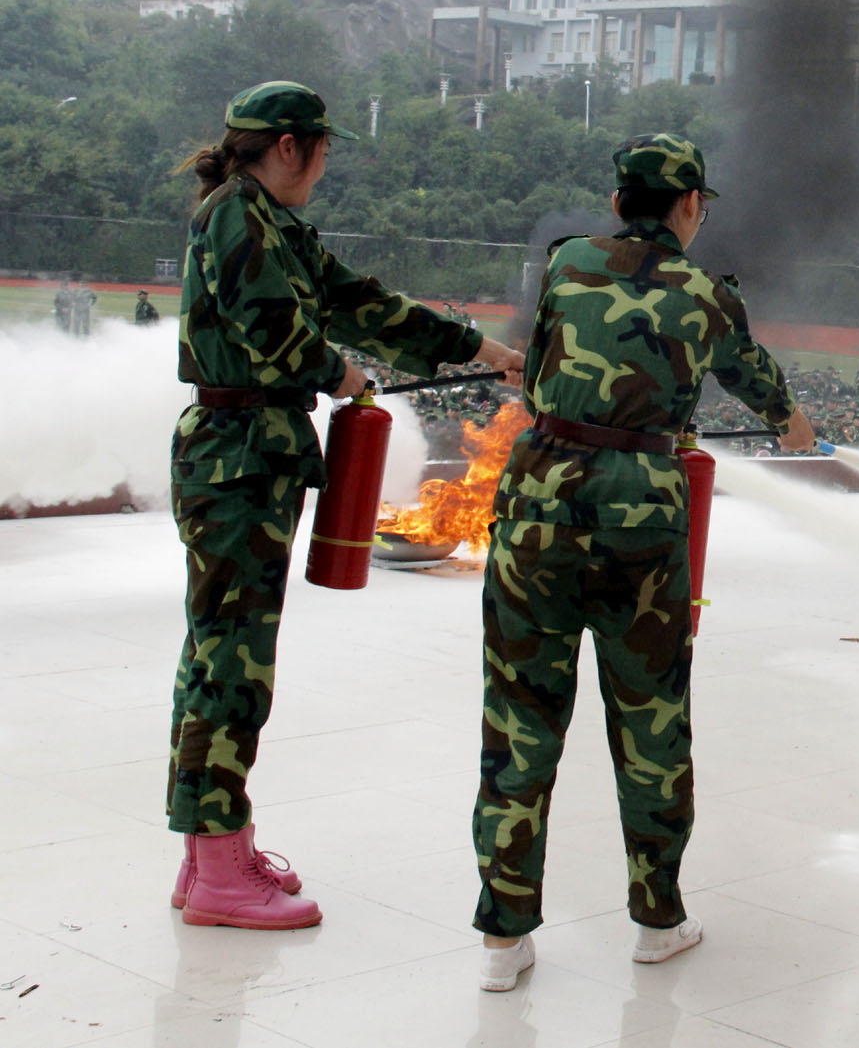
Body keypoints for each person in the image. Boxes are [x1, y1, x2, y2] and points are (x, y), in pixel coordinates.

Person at [167, 80, 524, 930]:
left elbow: (361, 301)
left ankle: (212, 849)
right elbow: (274, 326)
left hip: (252, 451)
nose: (325, 166)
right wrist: (338, 373)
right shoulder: (236, 215)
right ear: (291, 146)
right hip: (239, 453)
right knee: (231, 661)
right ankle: (217, 870)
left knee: (223, 651)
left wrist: (483, 350)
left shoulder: (269, 220)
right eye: (323, 149)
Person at [474, 133, 815, 993]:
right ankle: (657, 919)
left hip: (540, 498)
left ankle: (503, 939)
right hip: (640, 516)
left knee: (520, 720)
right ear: (690, 205)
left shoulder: (563, 263)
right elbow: (755, 380)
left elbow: (540, 375)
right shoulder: (707, 292)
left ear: (621, 198)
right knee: (652, 721)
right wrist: (793, 426)